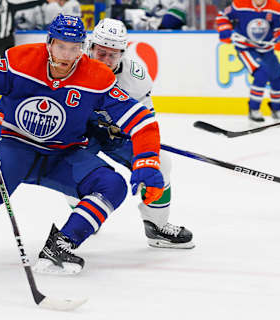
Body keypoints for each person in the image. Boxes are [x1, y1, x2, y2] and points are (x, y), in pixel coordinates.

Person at [0, 14, 165, 277]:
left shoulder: (97, 77)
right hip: (15, 148)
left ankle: (60, 247)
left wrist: (148, 159)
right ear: (49, 43)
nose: (67, 56)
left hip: (63, 155)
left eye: (74, 49)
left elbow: (141, 120)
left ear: (83, 48)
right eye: (61, 47)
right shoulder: (22, 60)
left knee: (111, 186)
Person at [62, 18, 194, 250]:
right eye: (101, 53)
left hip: (115, 135)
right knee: (71, 166)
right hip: (79, 134)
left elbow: (145, 120)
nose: (106, 60)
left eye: (113, 55)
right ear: (90, 47)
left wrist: (136, 139)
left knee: (161, 162)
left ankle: (157, 226)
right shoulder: (70, 65)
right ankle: (81, 211)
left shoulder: (136, 77)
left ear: (122, 53)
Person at [216, 0, 280, 123]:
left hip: (266, 49)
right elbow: (222, 15)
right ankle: (254, 109)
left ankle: (277, 110)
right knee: (261, 74)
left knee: (277, 78)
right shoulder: (240, 4)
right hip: (246, 48)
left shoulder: (276, 8)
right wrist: (225, 30)